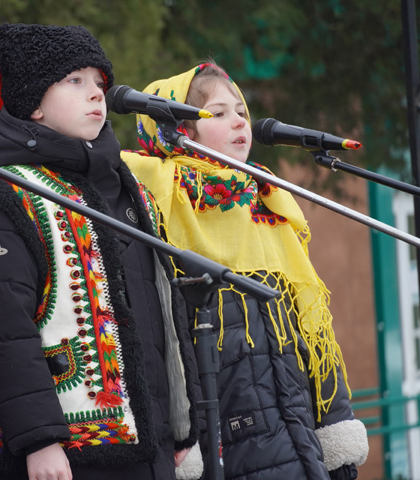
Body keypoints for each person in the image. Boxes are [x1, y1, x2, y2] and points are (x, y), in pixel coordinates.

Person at [0, 23, 202, 480]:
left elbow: (163, 316)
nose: (96, 93)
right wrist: (39, 440)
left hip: (153, 450)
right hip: (65, 457)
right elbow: (2, 331)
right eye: (75, 80)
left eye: (99, 81)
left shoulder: (128, 189)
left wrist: (181, 429)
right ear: (34, 103)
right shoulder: (6, 197)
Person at [121, 62, 369, 479]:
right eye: (218, 113)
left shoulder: (267, 204)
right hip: (222, 449)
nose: (239, 121)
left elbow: (313, 338)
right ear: (178, 131)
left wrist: (335, 439)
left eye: (241, 111)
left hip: (298, 444)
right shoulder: (154, 204)